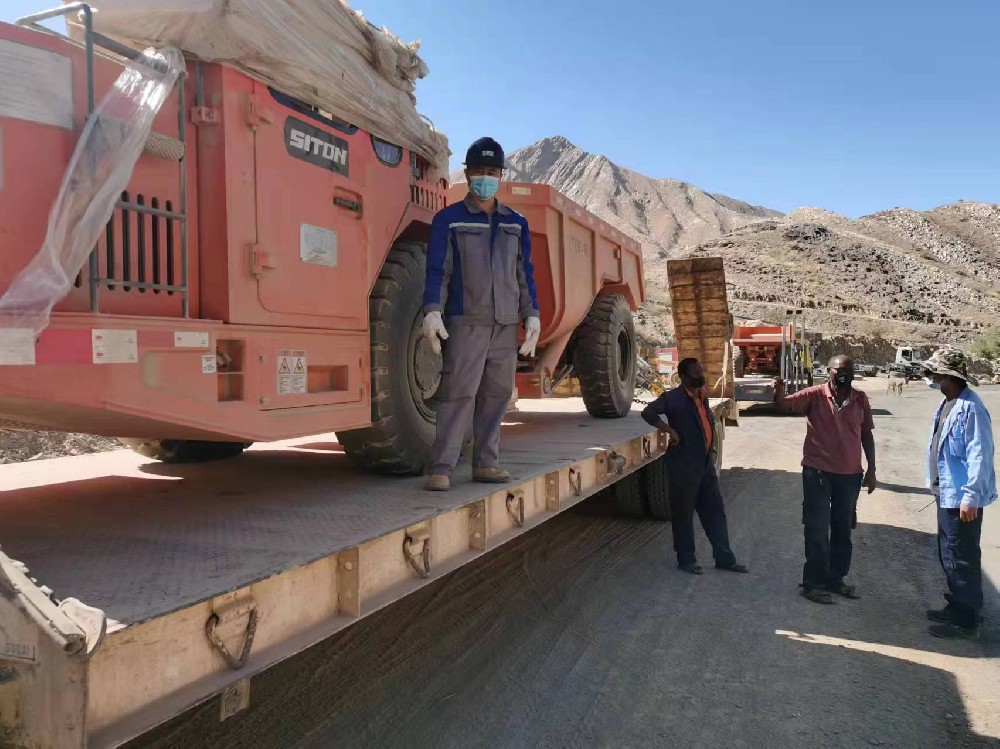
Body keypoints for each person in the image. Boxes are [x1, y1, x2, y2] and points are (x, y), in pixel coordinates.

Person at [421, 137, 541, 492]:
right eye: (478, 171)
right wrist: (433, 311)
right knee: (458, 394)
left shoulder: (516, 223)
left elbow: (524, 272)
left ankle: (486, 463)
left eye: (492, 171)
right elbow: (438, 271)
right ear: (468, 173)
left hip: (505, 325)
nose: (485, 177)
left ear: (500, 175)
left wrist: (531, 314)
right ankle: (442, 467)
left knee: (496, 395)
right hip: (466, 322)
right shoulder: (449, 220)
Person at [773, 355, 876, 604]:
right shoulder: (815, 395)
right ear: (828, 371)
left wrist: (872, 469)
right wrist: (779, 390)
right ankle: (813, 583)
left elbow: (866, 434)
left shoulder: (860, 398)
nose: (844, 375)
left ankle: (835, 579)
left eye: (849, 370)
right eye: (839, 370)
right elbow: (784, 405)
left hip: (849, 475)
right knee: (817, 529)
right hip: (818, 472)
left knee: (843, 530)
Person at [641, 358, 749, 575]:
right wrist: (669, 430)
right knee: (683, 515)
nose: (700, 375)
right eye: (695, 373)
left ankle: (725, 559)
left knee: (715, 513)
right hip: (684, 467)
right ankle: (687, 560)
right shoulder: (672, 398)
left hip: (705, 465)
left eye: (700, 371)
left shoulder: (702, 395)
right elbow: (648, 413)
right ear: (683, 377)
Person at [921, 348, 995, 639]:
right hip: (947, 493)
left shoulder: (971, 408)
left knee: (961, 556)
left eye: (936, 372)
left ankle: (966, 621)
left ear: (949, 376)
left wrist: (971, 497)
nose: (931, 376)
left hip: (962, 498)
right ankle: (958, 606)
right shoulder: (949, 403)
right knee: (949, 553)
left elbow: (980, 454)